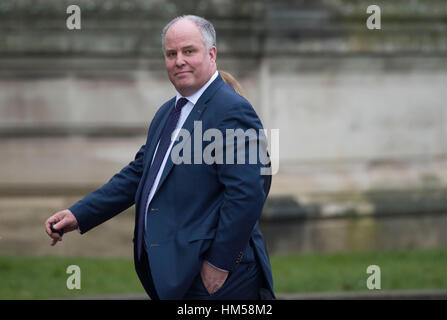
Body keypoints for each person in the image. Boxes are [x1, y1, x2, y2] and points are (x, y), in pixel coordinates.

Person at [45, 15, 275, 300]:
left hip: (219, 281)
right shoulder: (169, 112)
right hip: (178, 274)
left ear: (211, 54)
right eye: (171, 54)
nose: (179, 60)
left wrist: (219, 262)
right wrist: (80, 214)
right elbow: (139, 174)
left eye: (188, 51)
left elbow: (246, 193)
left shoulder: (231, 110)